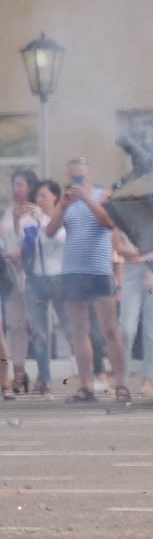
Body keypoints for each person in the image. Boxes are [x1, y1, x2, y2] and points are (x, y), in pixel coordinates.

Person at [45, 158, 128, 403]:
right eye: (73, 177)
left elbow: (109, 223)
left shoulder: (103, 196)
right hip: (72, 272)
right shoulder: (66, 203)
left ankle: (121, 384)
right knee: (79, 332)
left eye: (80, 177)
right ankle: (86, 386)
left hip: (99, 271)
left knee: (109, 330)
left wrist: (87, 198)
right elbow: (50, 232)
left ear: (89, 175)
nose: (76, 181)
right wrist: (62, 205)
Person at [0, 168, 42, 395]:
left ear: (30, 187)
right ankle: (18, 373)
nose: (16, 189)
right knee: (16, 325)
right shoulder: (8, 212)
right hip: (10, 274)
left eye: (20, 185)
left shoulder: (35, 211)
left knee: (36, 324)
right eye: (14, 184)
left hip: (30, 273)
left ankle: (42, 376)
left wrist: (21, 254)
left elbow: (38, 239)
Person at [116, 239, 153, 398]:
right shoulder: (122, 218)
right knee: (126, 330)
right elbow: (119, 247)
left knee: (151, 330)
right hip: (130, 274)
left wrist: (151, 270)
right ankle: (121, 381)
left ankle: (148, 379)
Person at [20, 179, 60, 395]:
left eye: (44, 195)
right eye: (37, 196)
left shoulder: (63, 218)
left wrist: (41, 220)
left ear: (55, 196)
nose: (39, 200)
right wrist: (21, 222)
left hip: (60, 281)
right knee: (39, 333)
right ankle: (45, 380)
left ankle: (89, 376)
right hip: (36, 281)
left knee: (73, 330)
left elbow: (53, 235)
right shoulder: (30, 220)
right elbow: (22, 245)